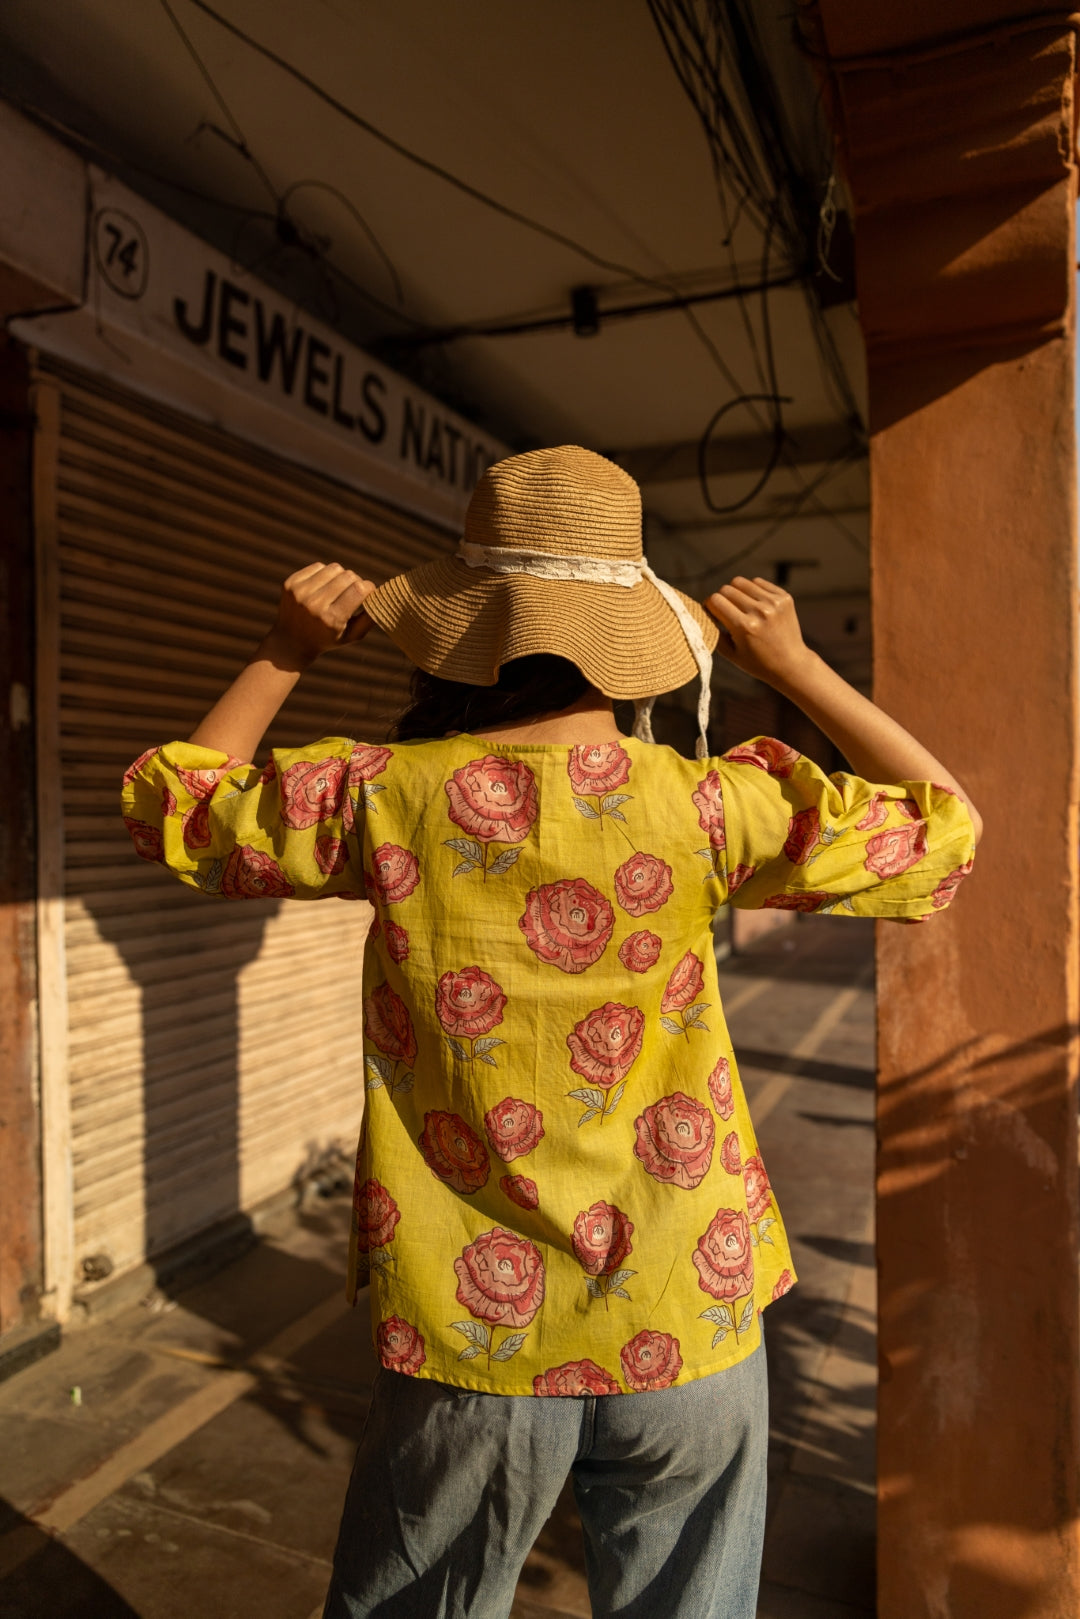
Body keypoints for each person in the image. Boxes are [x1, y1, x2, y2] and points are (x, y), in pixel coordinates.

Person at [121, 446, 980, 1619]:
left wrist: (287, 648)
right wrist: (796, 663)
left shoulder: (387, 796)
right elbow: (943, 827)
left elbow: (173, 803)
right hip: (693, 1307)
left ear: (465, 633)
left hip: (476, 1334)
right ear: (634, 640)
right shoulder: (705, 802)